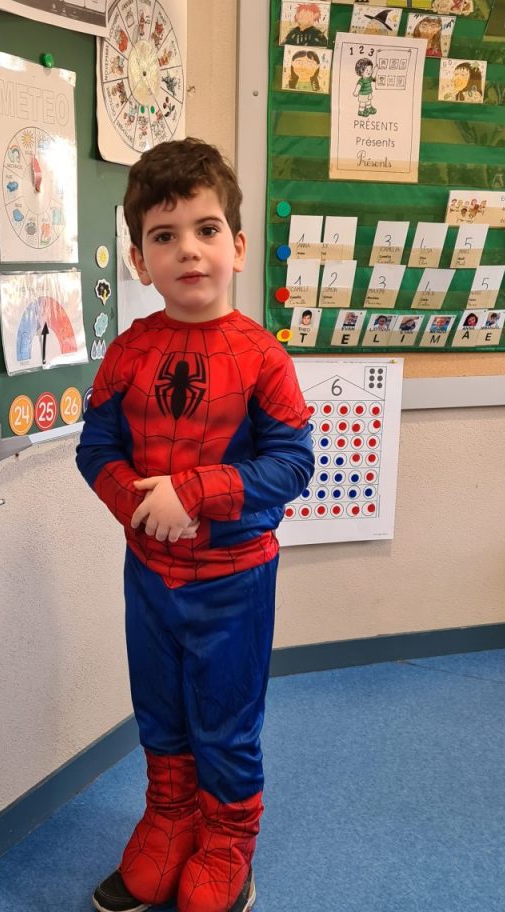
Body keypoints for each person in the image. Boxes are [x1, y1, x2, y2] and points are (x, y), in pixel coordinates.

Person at [76, 138, 315, 912]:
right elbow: (96, 449)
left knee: (225, 718)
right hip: (149, 576)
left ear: (237, 247)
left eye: (207, 229)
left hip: (234, 582)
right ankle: (170, 822)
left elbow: (293, 464)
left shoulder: (264, 359)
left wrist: (195, 492)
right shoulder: (129, 353)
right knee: (160, 709)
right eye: (164, 234)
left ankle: (228, 841)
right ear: (139, 261)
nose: (188, 249)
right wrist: (139, 505)